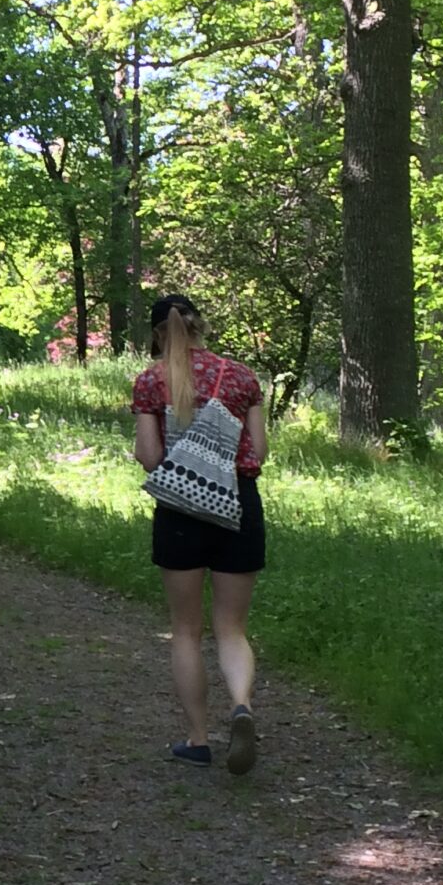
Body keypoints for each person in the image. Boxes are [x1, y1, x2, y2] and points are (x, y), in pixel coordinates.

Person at [131, 293, 267, 774]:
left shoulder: (151, 381)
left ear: (157, 334)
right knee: (232, 628)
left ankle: (198, 740)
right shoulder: (242, 377)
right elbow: (259, 452)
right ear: (199, 325)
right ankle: (242, 705)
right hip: (238, 505)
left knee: (186, 630)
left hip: (180, 510)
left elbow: (150, 457)